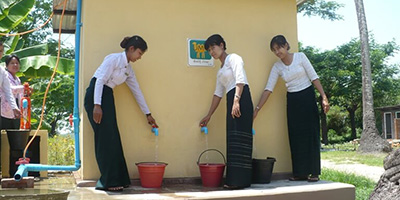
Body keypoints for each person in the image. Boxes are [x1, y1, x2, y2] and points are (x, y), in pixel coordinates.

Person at [84, 35, 158, 191]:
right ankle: (108, 181)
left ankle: (119, 178)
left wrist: (148, 114)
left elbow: (136, 91)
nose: (140, 57)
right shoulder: (113, 59)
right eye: (139, 53)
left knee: (113, 137)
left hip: (108, 96)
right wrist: (97, 105)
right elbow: (99, 81)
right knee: (104, 139)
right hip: (96, 96)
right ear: (131, 49)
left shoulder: (128, 69)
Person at [253, 35, 329, 182]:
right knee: (295, 136)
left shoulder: (301, 57)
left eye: (279, 47)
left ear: (286, 46)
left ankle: (314, 173)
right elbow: (268, 89)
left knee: (311, 134)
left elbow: (314, 77)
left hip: (307, 96)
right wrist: (257, 109)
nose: (278, 52)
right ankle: (300, 173)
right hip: (293, 101)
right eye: (274, 50)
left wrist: (324, 97)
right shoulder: (277, 67)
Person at [199, 34, 253, 189]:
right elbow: (218, 94)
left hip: (241, 97)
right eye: (209, 50)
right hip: (232, 100)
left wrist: (237, 100)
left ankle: (241, 180)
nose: (212, 52)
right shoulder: (220, 70)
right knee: (233, 139)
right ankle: (234, 180)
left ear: (222, 45)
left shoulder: (233, 58)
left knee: (242, 139)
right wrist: (209, 115)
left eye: (213, 48)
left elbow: (240, 79)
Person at [1, 54, 24, 129]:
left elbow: (20, 95)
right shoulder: (5, 75)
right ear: (7, 65)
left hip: (15, 111)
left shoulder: (17, 79)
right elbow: (10, 89)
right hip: (4, 111)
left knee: (14, 135)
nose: (15, 65)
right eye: (12, 63)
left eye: (17, 63)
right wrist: (24, 88)